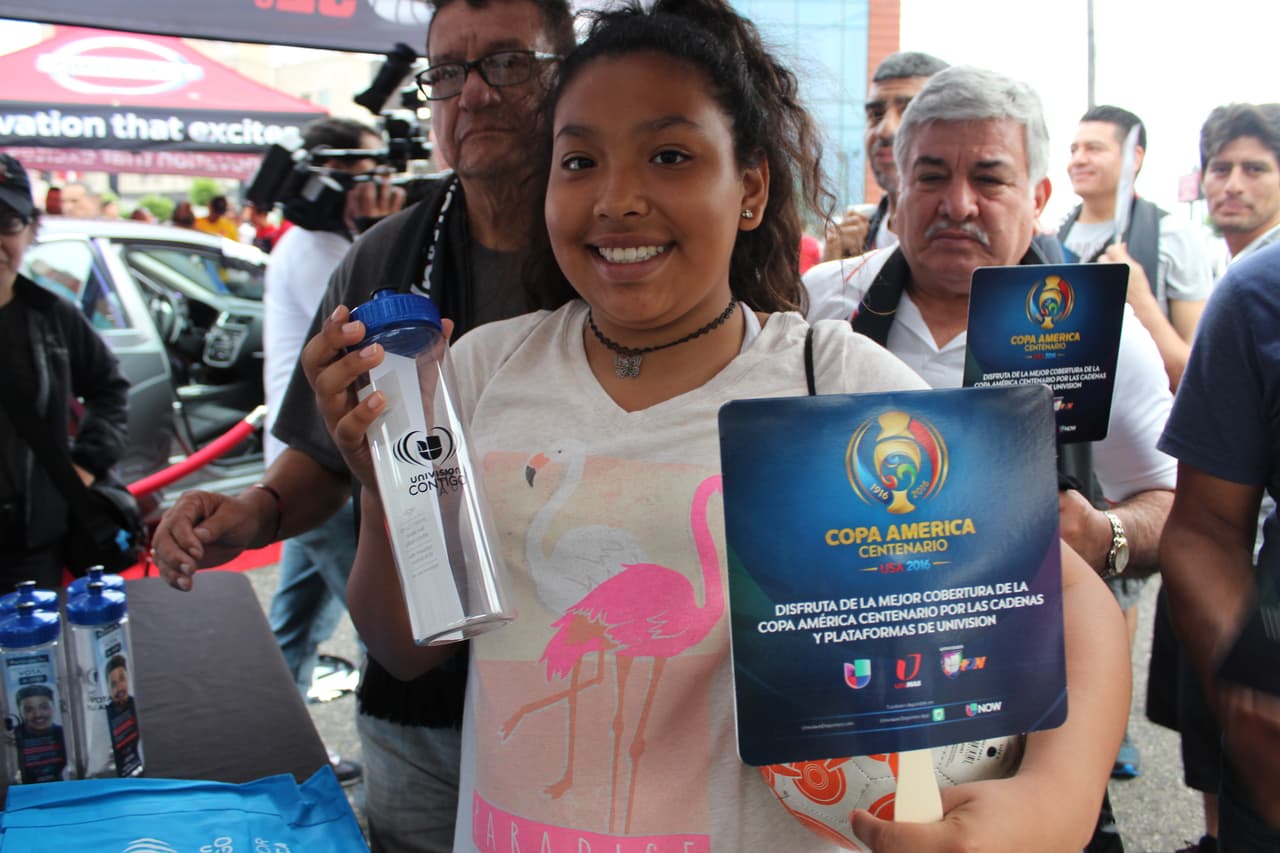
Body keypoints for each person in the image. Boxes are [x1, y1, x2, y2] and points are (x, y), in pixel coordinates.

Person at [307, 6, 1128, 849]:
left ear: (752, 189)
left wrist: (1050, 803)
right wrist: (383, 481)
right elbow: (410, 651)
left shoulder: (832, 383)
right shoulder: (479, 373)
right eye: (580, 160)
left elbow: (1066, 596)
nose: (618, 198)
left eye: (670, 156)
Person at [151, 1, 575, 849]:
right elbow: (326, 453)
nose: (474, 95)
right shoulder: (384, 257)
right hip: (419, 705)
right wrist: (256, 511)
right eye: (447, 72)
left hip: (572, 689)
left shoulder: (607, 245)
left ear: (567, 73)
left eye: (507, 63)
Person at [801, 66, 1175, 852]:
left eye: (990, 179)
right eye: (931, 176)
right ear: (895, 187)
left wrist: (1102, 535)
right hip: (848, 718)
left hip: (1034, 727)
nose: (958, 204)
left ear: (1039, 197)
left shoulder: (1099, 333)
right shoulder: (821, 308)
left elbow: (1180, 505)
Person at [1146, 102, 1280, 853]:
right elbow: (1202, 527)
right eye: (1221, 168)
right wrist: (1250, 694)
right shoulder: (1256, 293)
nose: (1233, 183)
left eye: (1254, 167)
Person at [262, 117, 402, 783]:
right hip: (319, 462)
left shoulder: (313, 241)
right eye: (365, 171)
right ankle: (305, 758)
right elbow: (369, 321)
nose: (380, 184)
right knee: (386, 626)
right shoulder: (322, 247)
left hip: (302, 459)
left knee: (293, 622)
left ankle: (276, 748)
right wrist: (381, 236)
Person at [0, 154, 130, 590]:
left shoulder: (51, 316)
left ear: (31, 230)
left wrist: (88, 463)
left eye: (6, 221)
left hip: (31, 548)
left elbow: (110, 389)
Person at [1059, 105, 1214, 391]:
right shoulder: (1053, 237)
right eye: (1073, 150)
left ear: (1134, 157)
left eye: (1094, 148)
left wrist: (1139, 300)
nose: (1078, 160)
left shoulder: (1172, 236)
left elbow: (1192, 374)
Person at [822, 50, 948, 261]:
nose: (885, 129)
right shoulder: (847, 251)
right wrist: (832, 276)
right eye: (876, 114)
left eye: (909, 113)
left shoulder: (981, 250)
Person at [12, 684, 69, 783]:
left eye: (44, 707)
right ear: (20, 712)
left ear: (54, 707)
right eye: (29, 709)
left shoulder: (65, 734)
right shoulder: (12, 738)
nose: (38, 714)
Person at [105, 653, 143, 775]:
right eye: (113, 684)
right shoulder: (105, 716)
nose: (120, 687)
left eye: (122, 679)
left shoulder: (134, 704)